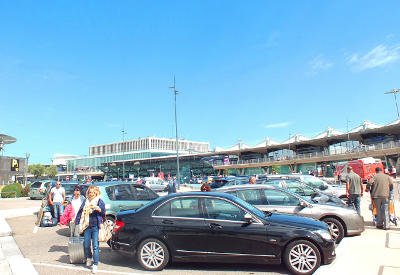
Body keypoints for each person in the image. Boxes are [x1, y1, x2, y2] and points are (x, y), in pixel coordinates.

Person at [75, 185, 106, 274]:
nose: (91, 194)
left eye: (92, 192)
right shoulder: (85, 201)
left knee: (95, 246)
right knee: (86, 244)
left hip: (95, 225)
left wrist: (98, 209)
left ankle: (95, 264)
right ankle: (89, 257)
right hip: (86, 225)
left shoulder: (99, 201)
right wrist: (76, 222)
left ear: (96, 192)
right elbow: (80, 212)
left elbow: (103, 212)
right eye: (89, 192)